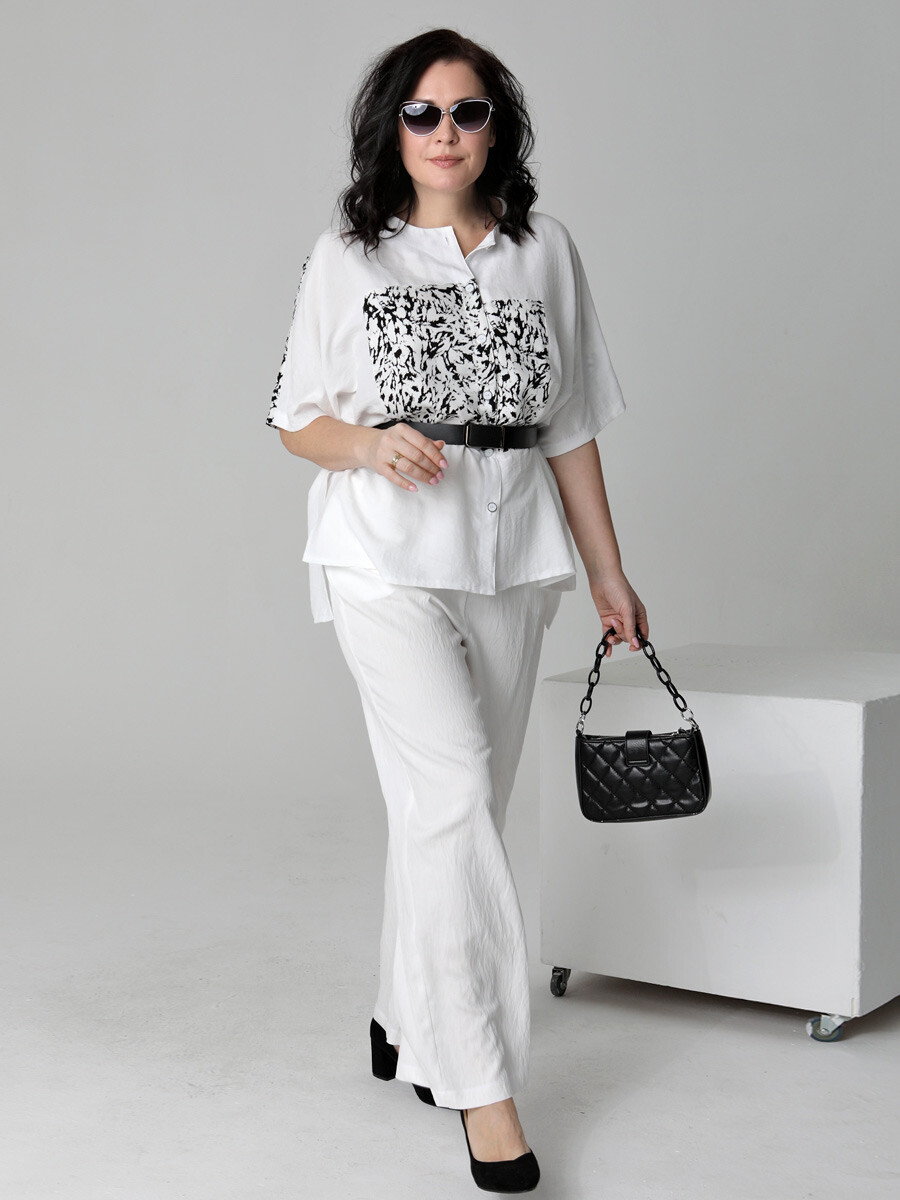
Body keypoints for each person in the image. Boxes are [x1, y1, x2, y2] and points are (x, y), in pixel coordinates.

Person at [266, 27, 649, 1194]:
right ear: (391, 128)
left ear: (498, 129)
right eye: (423, 113)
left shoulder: (546, 251)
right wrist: (371, 445)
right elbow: (295, 416)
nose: (445, 133)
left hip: (513, 558)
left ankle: (401, 1010)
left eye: (468, 111)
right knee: (451, 803)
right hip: (384, 561)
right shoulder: (349, 257)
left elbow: (571, 425)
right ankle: (482, 1086)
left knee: (454, 809)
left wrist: (608, 573)